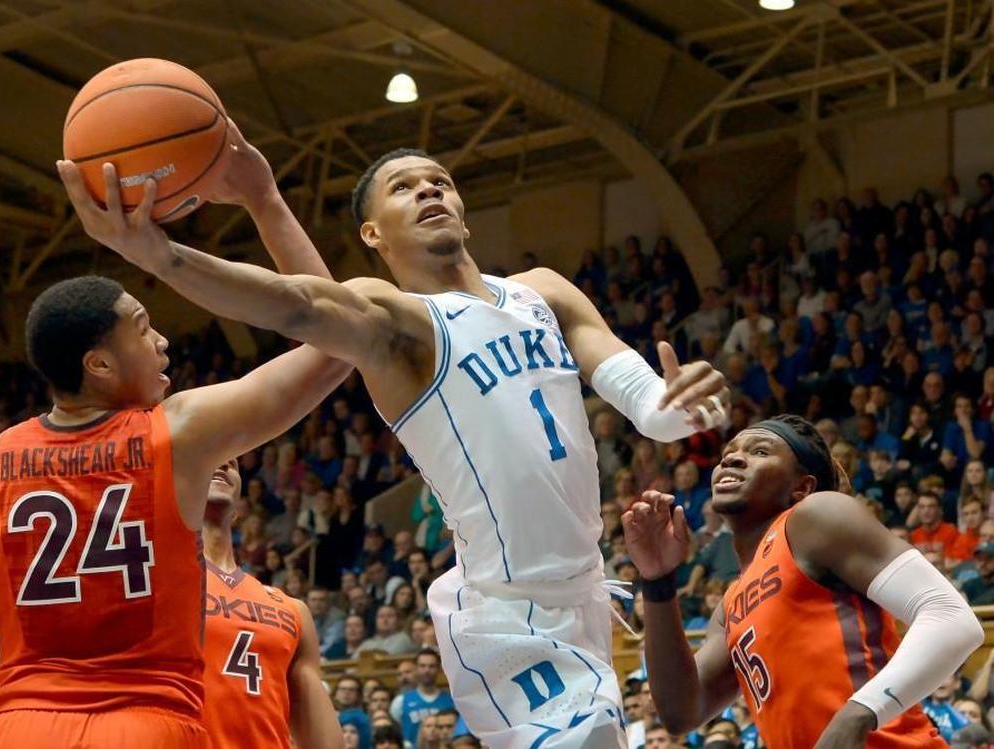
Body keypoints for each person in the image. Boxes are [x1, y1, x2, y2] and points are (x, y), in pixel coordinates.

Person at [58, 123, 731, 747]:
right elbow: (298, 302)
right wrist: (161, 253)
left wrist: (678, 410)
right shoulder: (400, 327)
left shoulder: (542, 292)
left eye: (438, 179)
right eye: (403, 187)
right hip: (504, 616)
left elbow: (645, 397)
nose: (428, 189)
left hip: (586, 590)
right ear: (374, 235)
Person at [0, 223, 351, 743]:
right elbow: (337, 337)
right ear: (99, 364)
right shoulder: (177, 435)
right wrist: (262, 198)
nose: (161, 341)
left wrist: (51, 611)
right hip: (145, 722)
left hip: (20, 728)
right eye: (142, 328)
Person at [623, 414, 982, 748]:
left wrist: (859, 713)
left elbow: (952, 617)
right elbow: (681, 712)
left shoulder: (814, 515)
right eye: (727, 454)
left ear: (802, 486)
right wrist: (657, 581)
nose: (730, 460)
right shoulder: (730, 602)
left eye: (759, 451)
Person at [201, 459, 343, 748]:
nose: (223, 460)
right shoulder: (156, 588)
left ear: (240, 508)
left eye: (232, 459)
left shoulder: (291, 609)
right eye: (206, 454)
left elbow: (324, 742)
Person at [389, 649, 455, 746]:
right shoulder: (400, 701)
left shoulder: (451, 701)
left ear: (439, 669)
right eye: (422, 666)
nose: (427, 670)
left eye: (431, 666)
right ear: (416, 668)